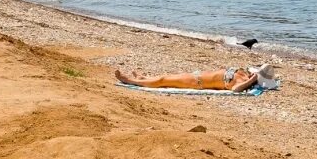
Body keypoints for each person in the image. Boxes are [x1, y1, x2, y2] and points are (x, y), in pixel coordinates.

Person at [114, 64, 278, 92]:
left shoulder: (243, 82)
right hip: (197, 75)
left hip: (197, 82)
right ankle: (144, 77)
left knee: (163, 81)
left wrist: (251, 80)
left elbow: (235, 90)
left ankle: (130, 80)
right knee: (167, 77)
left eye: (256, 73)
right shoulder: (243, 74)